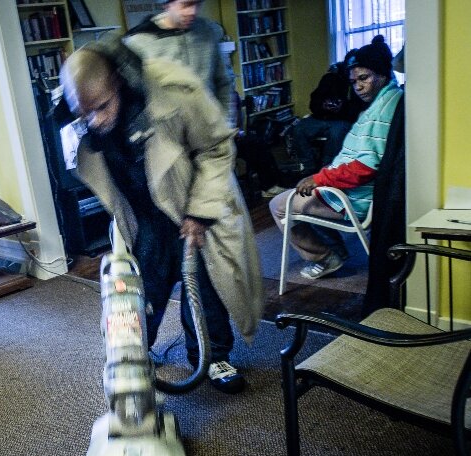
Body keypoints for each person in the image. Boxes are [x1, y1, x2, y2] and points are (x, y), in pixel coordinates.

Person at [58, 41, 262, 394]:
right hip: (144, 212)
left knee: (202, 286)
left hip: (189, 201)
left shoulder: (173, 90)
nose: (96, 121)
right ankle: (136, 357)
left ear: (118, 82)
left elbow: (216, 148)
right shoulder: (82, 117)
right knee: (140, 286)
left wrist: (200, 211)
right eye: (85, 113)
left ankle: (213, 358)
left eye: (102, 107)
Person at [269, 35, 403, 280]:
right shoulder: (385, 101)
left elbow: (364, 167)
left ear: (382, 73)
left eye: (364, 78)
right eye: (354, 82)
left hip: (351, 198)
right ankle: (336, 252)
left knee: (278, 206)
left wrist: (321, 178)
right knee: (302, 191)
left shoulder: (384, 110)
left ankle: (326, 257)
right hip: (346, 192)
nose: (358, 87)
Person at [123, 0, 236, 127]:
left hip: (212, 131)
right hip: (169, 137)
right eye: (186, 4)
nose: (193, 11)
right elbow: (132, 98)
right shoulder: (138, 42)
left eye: (197, 4)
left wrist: (226, 123)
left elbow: (224, 82)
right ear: (167, 4)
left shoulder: (207, 32)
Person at [289, 54, 367, 173]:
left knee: (337, 134)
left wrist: (342, 108)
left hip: (342, 119)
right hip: (321, 117)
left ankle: (326, 169)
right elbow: (314, 102)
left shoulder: (360, 82)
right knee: (299, 129)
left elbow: (358, 109)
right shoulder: (329, 78)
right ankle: (308, 167)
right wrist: (323, 105)